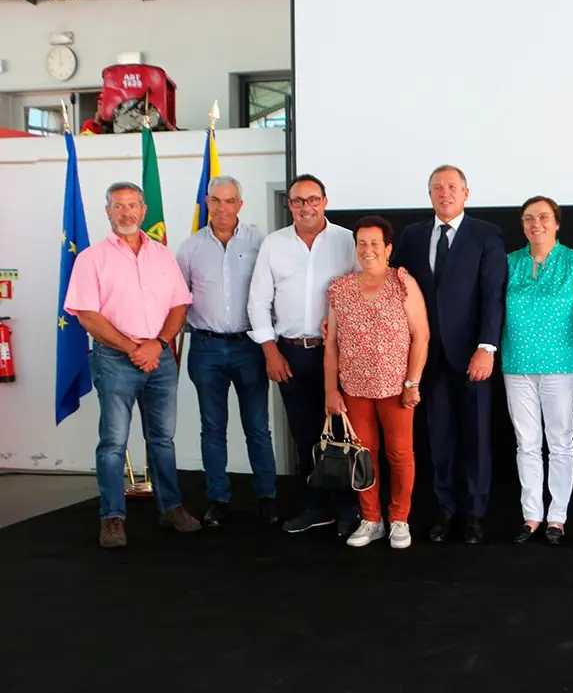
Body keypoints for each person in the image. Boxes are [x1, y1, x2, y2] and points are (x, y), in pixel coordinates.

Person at [64, 181, 200, 548]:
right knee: (112, 442)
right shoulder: (90, 258)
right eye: (118, 207)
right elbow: (87, 316)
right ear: (107, 211)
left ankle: (170, 507)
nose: (126, 213)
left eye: (133, 206)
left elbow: (179, 305)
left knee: (162, 440)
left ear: (143, 210)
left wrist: (156, 345)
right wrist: (132, 348)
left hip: (159, 359)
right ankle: (112, 517)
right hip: (113, 360)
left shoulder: (162, 255)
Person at [390, 165, 507, 545]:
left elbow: (493, 296)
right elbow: (399, 293)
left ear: (466, 193)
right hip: (427, 358)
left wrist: (486, 347)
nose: (445, 193)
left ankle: (473, 515)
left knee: (476, 438)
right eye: (437, 188)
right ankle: (444, 510)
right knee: (438, 439)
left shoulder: (486, 235)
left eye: (452, 187)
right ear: (429, 195)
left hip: (473, 356)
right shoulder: (412, 236)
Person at [247, 174, 361, 537]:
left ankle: (349, 510)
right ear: (290, 205)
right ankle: (314, 507)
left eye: (312, 199)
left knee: (343, 434)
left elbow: (364, 291)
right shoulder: (274, 244)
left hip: (340, 356)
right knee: (304, 435)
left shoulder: (347, 241)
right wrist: (269, 351)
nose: (305, 207)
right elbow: (258, 300)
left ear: (325, 201)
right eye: (297, 201)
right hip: (291, 354)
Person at [175, 175, 279, 527]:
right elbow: (178, 300)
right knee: (212, 428)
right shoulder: (189, 248)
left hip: (249, 346)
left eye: (230, 200)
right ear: (208, 202)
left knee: (257, 427)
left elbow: (270, 294)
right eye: (216, 200)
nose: (222, 207)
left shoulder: (260, 244)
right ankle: (217, 499)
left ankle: (267, 498)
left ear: (240, 204)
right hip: (204, 348)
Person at [324, 216, 430, 549]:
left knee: (400, 454)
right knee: (363, 456)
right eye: (361, 243)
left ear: (387, 248)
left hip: (395, 389)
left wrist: (413, 382)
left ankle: (399, 519)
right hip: (354, 388)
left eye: (374, 243)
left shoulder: (402, 282)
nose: (367, 250)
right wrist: (331, 389)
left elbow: (421, 335)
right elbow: (331, 344)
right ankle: (371, 519)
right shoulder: (340, 288)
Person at [500, 196, 573, 545]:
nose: (536, 224)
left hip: (561, 367)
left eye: (543, 217)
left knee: (560, 442)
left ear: (556, 222)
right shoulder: (509, 263)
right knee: (527, 443)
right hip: (516, 365)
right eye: (528, 218)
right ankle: (532, 515)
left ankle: (558, 517)